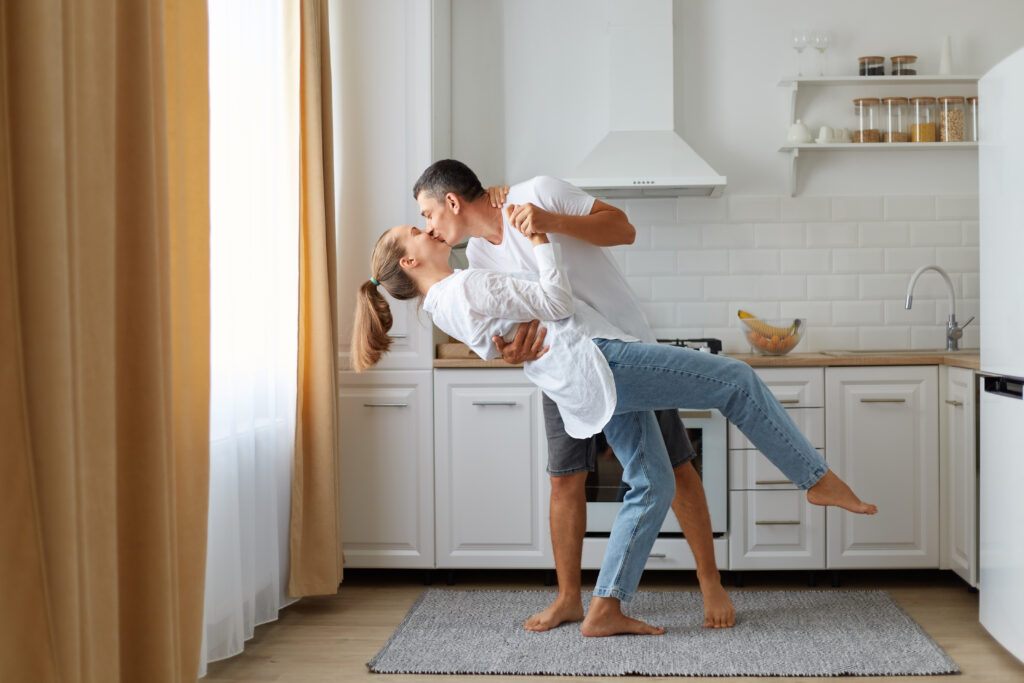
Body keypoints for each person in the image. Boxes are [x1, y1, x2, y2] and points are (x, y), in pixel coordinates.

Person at [351, 221, 878, 637]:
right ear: (409, 259)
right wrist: (539, 240)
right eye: (417, 229)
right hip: (600, 361)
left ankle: (604, 606)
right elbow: (554, 302)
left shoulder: (445, 305)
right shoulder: (464, 285)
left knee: (653, 482)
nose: (429, 228)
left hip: (580, 380)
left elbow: (500, 344)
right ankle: (814, 477)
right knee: (736, 379)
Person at [415, 160, 736, 633]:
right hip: (561, 368)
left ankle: (711, 582)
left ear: (452, 201)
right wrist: (512, 351)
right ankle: (569, 598)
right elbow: (518, 319)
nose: (429, 226)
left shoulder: (538, 192)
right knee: (565, 478)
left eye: (427, 213)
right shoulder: (478, 259)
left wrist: (549, 223)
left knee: (676, 466)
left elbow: (622, 229)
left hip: (620, 349)